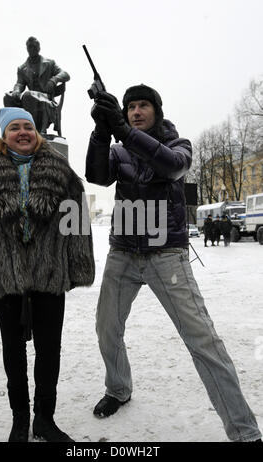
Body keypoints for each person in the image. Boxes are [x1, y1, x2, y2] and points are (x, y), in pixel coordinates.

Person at [85, 84, 262, 442]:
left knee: (203, 341)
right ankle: (118, 388)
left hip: (167, 256)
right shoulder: (119, 150)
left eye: (143, 106)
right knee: (106, 327)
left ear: (157, 110)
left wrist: (122, 129)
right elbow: (96, 175)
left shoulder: (178, 145)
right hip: (123, 253)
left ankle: (244, 432)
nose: (136, 111)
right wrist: (101, 132)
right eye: (130, 106)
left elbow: (172, 167)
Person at [0, 107, 95, 442]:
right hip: (2, 274)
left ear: (36, 132)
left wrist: (79, 263)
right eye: (14, 128)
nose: (23, 132)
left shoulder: (61, 171)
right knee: (13, 351)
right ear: (3, 136)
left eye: (28, 127)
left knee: (50, 349)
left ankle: (45, 420)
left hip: (49, 273)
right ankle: (20, 419)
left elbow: (77, 220)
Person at [4, 37, 70, 134]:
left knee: (27, 95)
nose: (32, 49)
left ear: (39, 48)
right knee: (7, 97)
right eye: (30, 47)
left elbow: (65, 74)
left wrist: (54, 80)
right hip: (30, 98)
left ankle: (33, 129)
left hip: (46, 98)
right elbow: (20, 83)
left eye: (34, 46)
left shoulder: (49, 63)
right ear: (27, 49)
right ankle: (14, 130)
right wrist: (16, 91)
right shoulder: (22, 68)